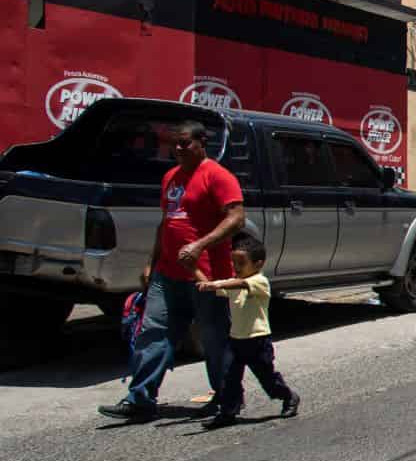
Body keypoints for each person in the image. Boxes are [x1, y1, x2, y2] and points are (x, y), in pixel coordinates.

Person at [99, 120, 243, 421]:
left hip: (206, 275)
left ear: (202, 143)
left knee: (213, 338)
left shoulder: (218, 177)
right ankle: (140, 399)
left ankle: (227, 398)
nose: (177, 149)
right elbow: (166, 223)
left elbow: (236, 219)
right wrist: (152, 262)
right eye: (174, 144)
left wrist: (200, 245)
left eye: (184, 143)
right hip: (167, 273)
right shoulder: (170, 178)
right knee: (153, 333)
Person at [199, 235, 299, 427]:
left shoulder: (259, 281)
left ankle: (289, 396)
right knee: (229, 379)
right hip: (236, 340)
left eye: (241, 263)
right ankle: (228, 412)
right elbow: (211, 287)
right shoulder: (234, 282)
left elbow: (235, 285)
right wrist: (193, 268)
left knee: (268, 379)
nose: (236, 267)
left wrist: (217, 283)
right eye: (234, 262)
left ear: (258, 263)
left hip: (257, 341)